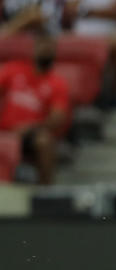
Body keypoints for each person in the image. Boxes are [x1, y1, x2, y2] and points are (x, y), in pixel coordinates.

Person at [0, 33, 70, 183]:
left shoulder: (57, 83)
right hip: (4, 129)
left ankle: (45, 190)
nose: (45, 50)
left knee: (44, 141)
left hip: (30, 134)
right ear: (34, 49)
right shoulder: (14, 70)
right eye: (42, 46)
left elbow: (58, 116)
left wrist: (30, 128)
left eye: (49, 47)